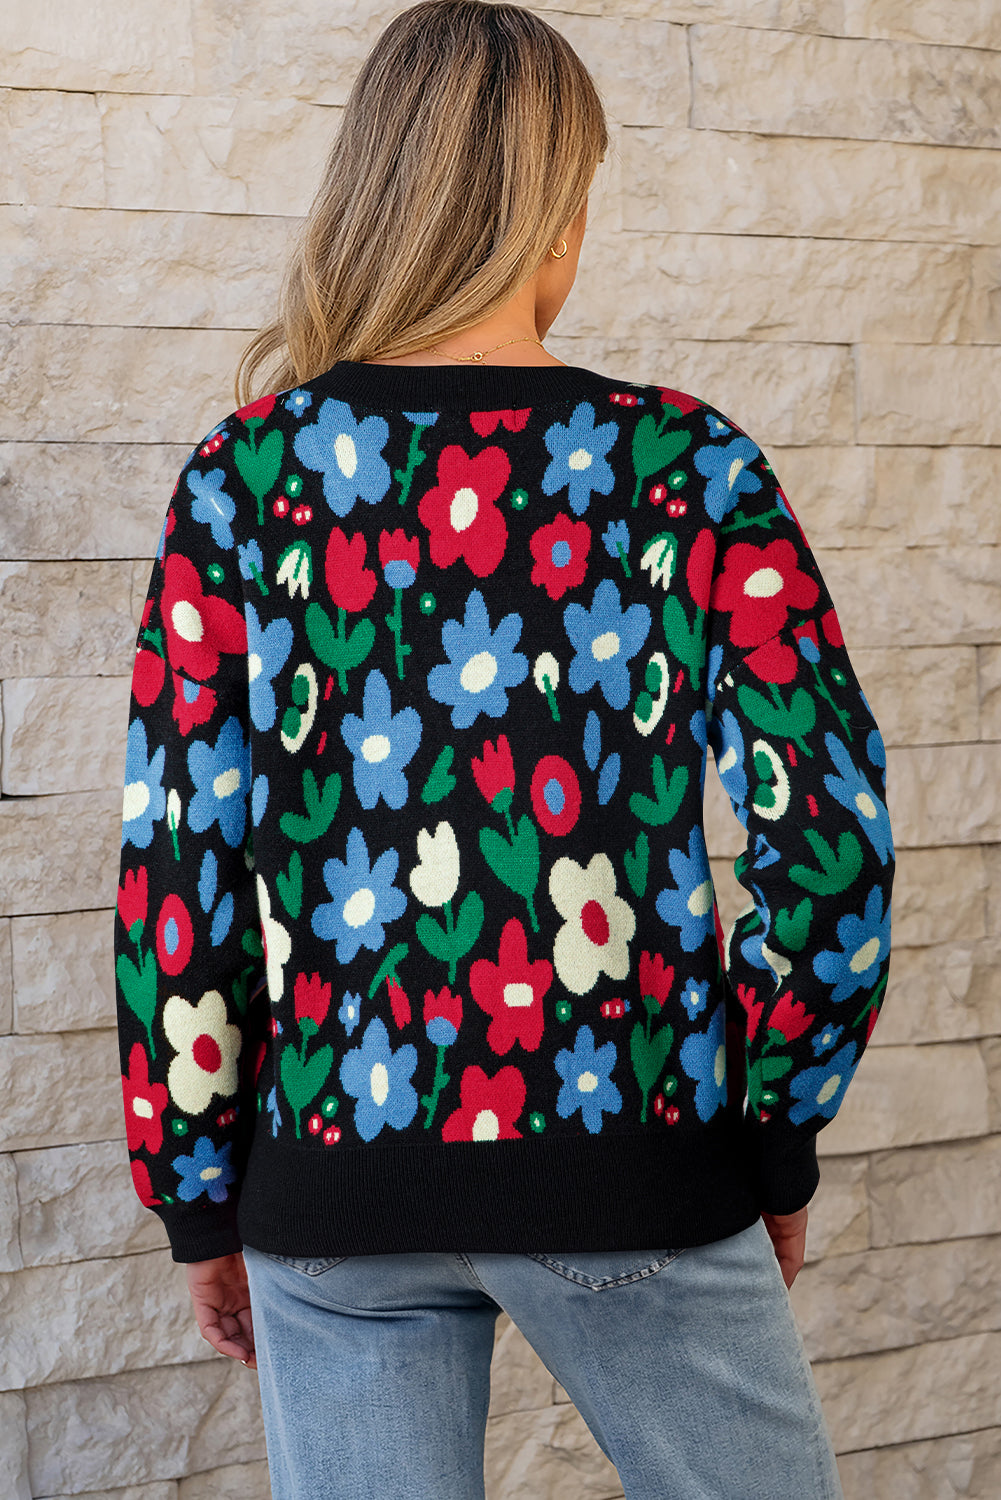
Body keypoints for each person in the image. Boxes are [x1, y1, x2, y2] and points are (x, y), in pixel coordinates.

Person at [114, 3, 894, 1496]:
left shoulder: (243, 479)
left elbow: (178, 870)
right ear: (552, 215)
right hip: (635, 1147)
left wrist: (197, 1189)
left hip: (332, 1179)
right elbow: (830, 845)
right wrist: (773, 1131)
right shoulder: (689, 468)